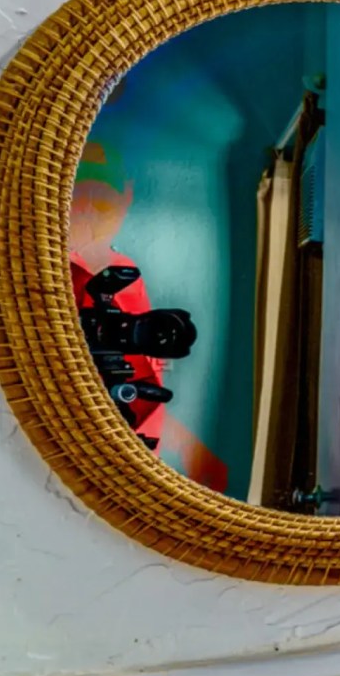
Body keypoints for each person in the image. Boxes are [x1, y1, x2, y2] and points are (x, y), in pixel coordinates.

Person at [70, 141, 228, 492]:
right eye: (80, 196)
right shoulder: (47, 278)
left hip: (135, 461)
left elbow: (129, 374)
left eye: (103, 199)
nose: (90, 211)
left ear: (125, 199)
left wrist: (184, 444)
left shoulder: (125, 274)